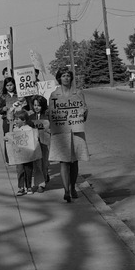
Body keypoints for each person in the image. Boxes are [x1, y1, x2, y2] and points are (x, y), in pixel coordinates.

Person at [48, 68, 89, 203]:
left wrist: (83, 112)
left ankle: (72, 187)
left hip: (76, 131)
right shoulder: (54, 95)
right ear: (59, 78)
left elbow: (84, 114)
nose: (66, 78)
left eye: (68, 76)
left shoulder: (78, 94)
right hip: (61, 132)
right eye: (63, 76)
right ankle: (66, 191)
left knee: (75, 160)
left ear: (71, 78)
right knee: (64, 161)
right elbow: (51, 115)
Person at [5, 110, 36, 196]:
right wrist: (11, 125)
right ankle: (21, 187)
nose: (15, 121)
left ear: (24, 120)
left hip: (28, 153)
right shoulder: (16, 129)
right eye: (15, 119)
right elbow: (11, 135)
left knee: (28, 170)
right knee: (20, 170)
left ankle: (29, 186)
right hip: (18, 154)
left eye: (17, 119)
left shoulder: (29, 129)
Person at [29, 95, 50, 193]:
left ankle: (45, 177)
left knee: (44, 164)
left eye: (39, 105)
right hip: (35, 143)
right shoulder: (30, 117)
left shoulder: (47, 116)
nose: (36, 107)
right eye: (35, 105)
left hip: (45, 143)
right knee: (37, 164)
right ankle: (40, 184)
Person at [0, 77, 19, 163]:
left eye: (11, 85)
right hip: (7, 120)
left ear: (14, 85)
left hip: (18, 120)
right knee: (7, 138)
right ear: (5, 87)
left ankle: (18, 156)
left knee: (18, 138)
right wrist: (3, 109)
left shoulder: (18, 95)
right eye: (7, 85)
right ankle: (9, 159)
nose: (10, 87)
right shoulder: (3, 97)